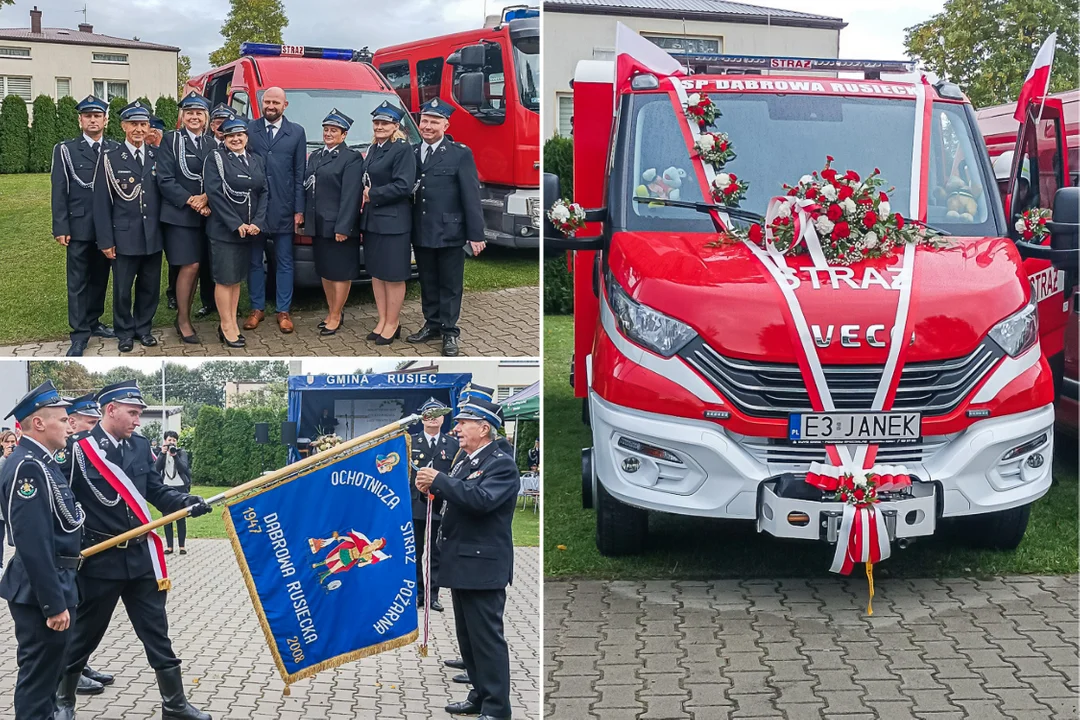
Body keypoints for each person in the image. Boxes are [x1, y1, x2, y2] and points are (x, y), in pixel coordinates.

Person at [53, 381, 212, 720]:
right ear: (110, 410)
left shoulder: (140, 447)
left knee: (157, 632)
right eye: (133, 413)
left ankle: (175, 705)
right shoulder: (78, 450)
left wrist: (185, 502)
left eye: (139, 414)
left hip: (140, 560)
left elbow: (155, 491)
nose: (138, 421)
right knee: (85, 635)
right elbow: (61, 505)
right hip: (100, 560)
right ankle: (64, 700)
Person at [415, 397, 518, 720]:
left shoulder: (501, 463)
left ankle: (497, 708)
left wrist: (441, 481)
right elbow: (455, 493)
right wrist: (428, 488)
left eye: (463, 423)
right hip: (462, 562)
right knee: (469, 639)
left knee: (487, 641)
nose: (456, 428)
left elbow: (483, 500)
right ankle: (479, 693)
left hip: (482, 565)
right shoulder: (467, 459)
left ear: (484, 428)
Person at [1, 384, 85, 720]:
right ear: (38, 424)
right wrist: (53, 603)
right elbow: (32, 542)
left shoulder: (41, 462)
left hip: (57, 581)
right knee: (38, 684)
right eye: (64, 420)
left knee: (48, 679)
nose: (70, 426)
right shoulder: (28, 468)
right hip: (41, 592)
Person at [408, 98, 486, 357]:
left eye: (434, 121)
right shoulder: (412, 152)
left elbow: (471, 195)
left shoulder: (459, 153)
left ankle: (450, 332)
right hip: (421, 229)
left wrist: (476, 234)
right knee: (428, 281)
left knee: (450, 284)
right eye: (424, 121)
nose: (427, 126)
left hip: (450, 231)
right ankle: (431, 325)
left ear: (446, 124)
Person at [93, 100, 164, 353]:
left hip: (153, 235)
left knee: (149, 286)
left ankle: (143, 329)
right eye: (133, 124)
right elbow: (101, 203)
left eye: (143, 124)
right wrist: (105, 240)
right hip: (124, 236)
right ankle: (124, 332)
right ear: (123, 126)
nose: (138, 129)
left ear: (149, 128)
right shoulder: (110, 159)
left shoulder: (157, 156)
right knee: (123, 289)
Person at [58, 393, 117, 696]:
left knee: (82, 608)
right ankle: (68, 670)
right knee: (73, 607)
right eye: (90, 422)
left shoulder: (86, 449)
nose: (95, 429)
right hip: (76, 544)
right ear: (73, 421)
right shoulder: (66, 452)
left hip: (87, 543)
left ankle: (79, 663)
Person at [52, 94, 118, 357]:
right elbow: (59, 190)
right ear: (80, 121)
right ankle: (79, 335)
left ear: (106, 120)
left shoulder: (114, 148)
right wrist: (60, 227)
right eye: (88, 116)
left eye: (97, 116)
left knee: (100, 277)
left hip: (108, 227)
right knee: (78, 280)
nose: (93, 120)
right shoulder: (66, 149)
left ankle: (94, 321)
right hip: (78, 225)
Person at [243, 87, 306, 334]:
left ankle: (283, 310)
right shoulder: (250, 129)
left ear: (285, 105)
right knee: (254, 261)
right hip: (255, 208)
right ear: (262, 103)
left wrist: (298, 209)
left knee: (284, 261)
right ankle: (256, 308)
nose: (271, 105)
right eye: (267, 101)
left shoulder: (297, 132)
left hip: (284, 206)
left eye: (276, 102)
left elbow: (300, 173)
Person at [203, 117, 268, 348]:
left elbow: (264, 192)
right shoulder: (216, 159)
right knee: (225, 279)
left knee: (237, 279)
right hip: (225, 230)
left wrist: (258, 222)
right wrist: (235, 223)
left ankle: (231, 323)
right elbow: (214, 192)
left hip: (248, 231)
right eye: (230, 136)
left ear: (246, 137)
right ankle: (226, 325)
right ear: (224, 138)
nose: (236, 139)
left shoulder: (255, 159)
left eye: (240, 135)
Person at [158, 92, 214, 345]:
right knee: (189, 265)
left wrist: (206, 198)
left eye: (198, 113)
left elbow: (217, 177)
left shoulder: (212, 143)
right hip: (179, 214)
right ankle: (183, 320)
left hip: (206, 215)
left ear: (205, 118)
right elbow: (165, 179)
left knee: (198, 267)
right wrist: (193, 201)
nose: (194, 117)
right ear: (182, 116)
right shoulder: (171, 140)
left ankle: (185, 315)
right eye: (189, 112)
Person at [301, 108, 363, 336]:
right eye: (326, 129)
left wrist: (343, 226)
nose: (328, 133)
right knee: (325, 271)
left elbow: (351, 195)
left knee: (340, 273)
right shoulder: (317, 156)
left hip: (339, 225)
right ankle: (331, 310)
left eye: (333, 130)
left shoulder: (351, 158)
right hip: (319, 224)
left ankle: (337, 315)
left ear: (344, 135)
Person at [360, 101, 416, 346]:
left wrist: (374, 194)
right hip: (374, 220)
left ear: (396, 125)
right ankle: (382, 320)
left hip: (394, 222)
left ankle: (393, 323)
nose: (379, 126)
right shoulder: (375, 148)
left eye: (385, 123)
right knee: (377, 274)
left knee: (392, 275)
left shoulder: (402, 149)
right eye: (376, 122)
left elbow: (404, 185)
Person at [409, 398, 459, 614]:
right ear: (422, 418)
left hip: (441, 506)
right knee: (415, 551)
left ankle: (433, 595)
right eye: (428, 413)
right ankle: (417, 594)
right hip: (415, 505)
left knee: (436, 551)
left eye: (438, 414)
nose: (433, 418)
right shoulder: (411, 442)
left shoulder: (452, 444)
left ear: (443, 418)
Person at [155, 431, 192, 555]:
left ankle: (182, 546)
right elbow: (155, 469)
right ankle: (169, 546)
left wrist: (175, 456)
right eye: (170, 440)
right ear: (165, 441)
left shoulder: (181, 453)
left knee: (181, 517)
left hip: (180, 487)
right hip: (166, 487)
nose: (172, 443)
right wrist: (162, 454)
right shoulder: (162, 453)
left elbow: (184, 468)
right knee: (167, 517)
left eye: (174, 440)